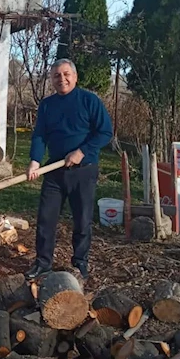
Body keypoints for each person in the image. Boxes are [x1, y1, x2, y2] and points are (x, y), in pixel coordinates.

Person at [26, 59, 113, 281]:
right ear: (52, 80)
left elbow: (105, 132)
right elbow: (40, 135)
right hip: (54, 171)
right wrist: (35, 161)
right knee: (46, 219)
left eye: (66, 74)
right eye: (56, 75)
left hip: (84, 171)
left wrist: (82, 151)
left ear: (75, 77)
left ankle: (80, 263)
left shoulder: (89, 101)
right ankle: (43, 263)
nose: (62, 79)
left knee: (82, 219)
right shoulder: (47, 105)